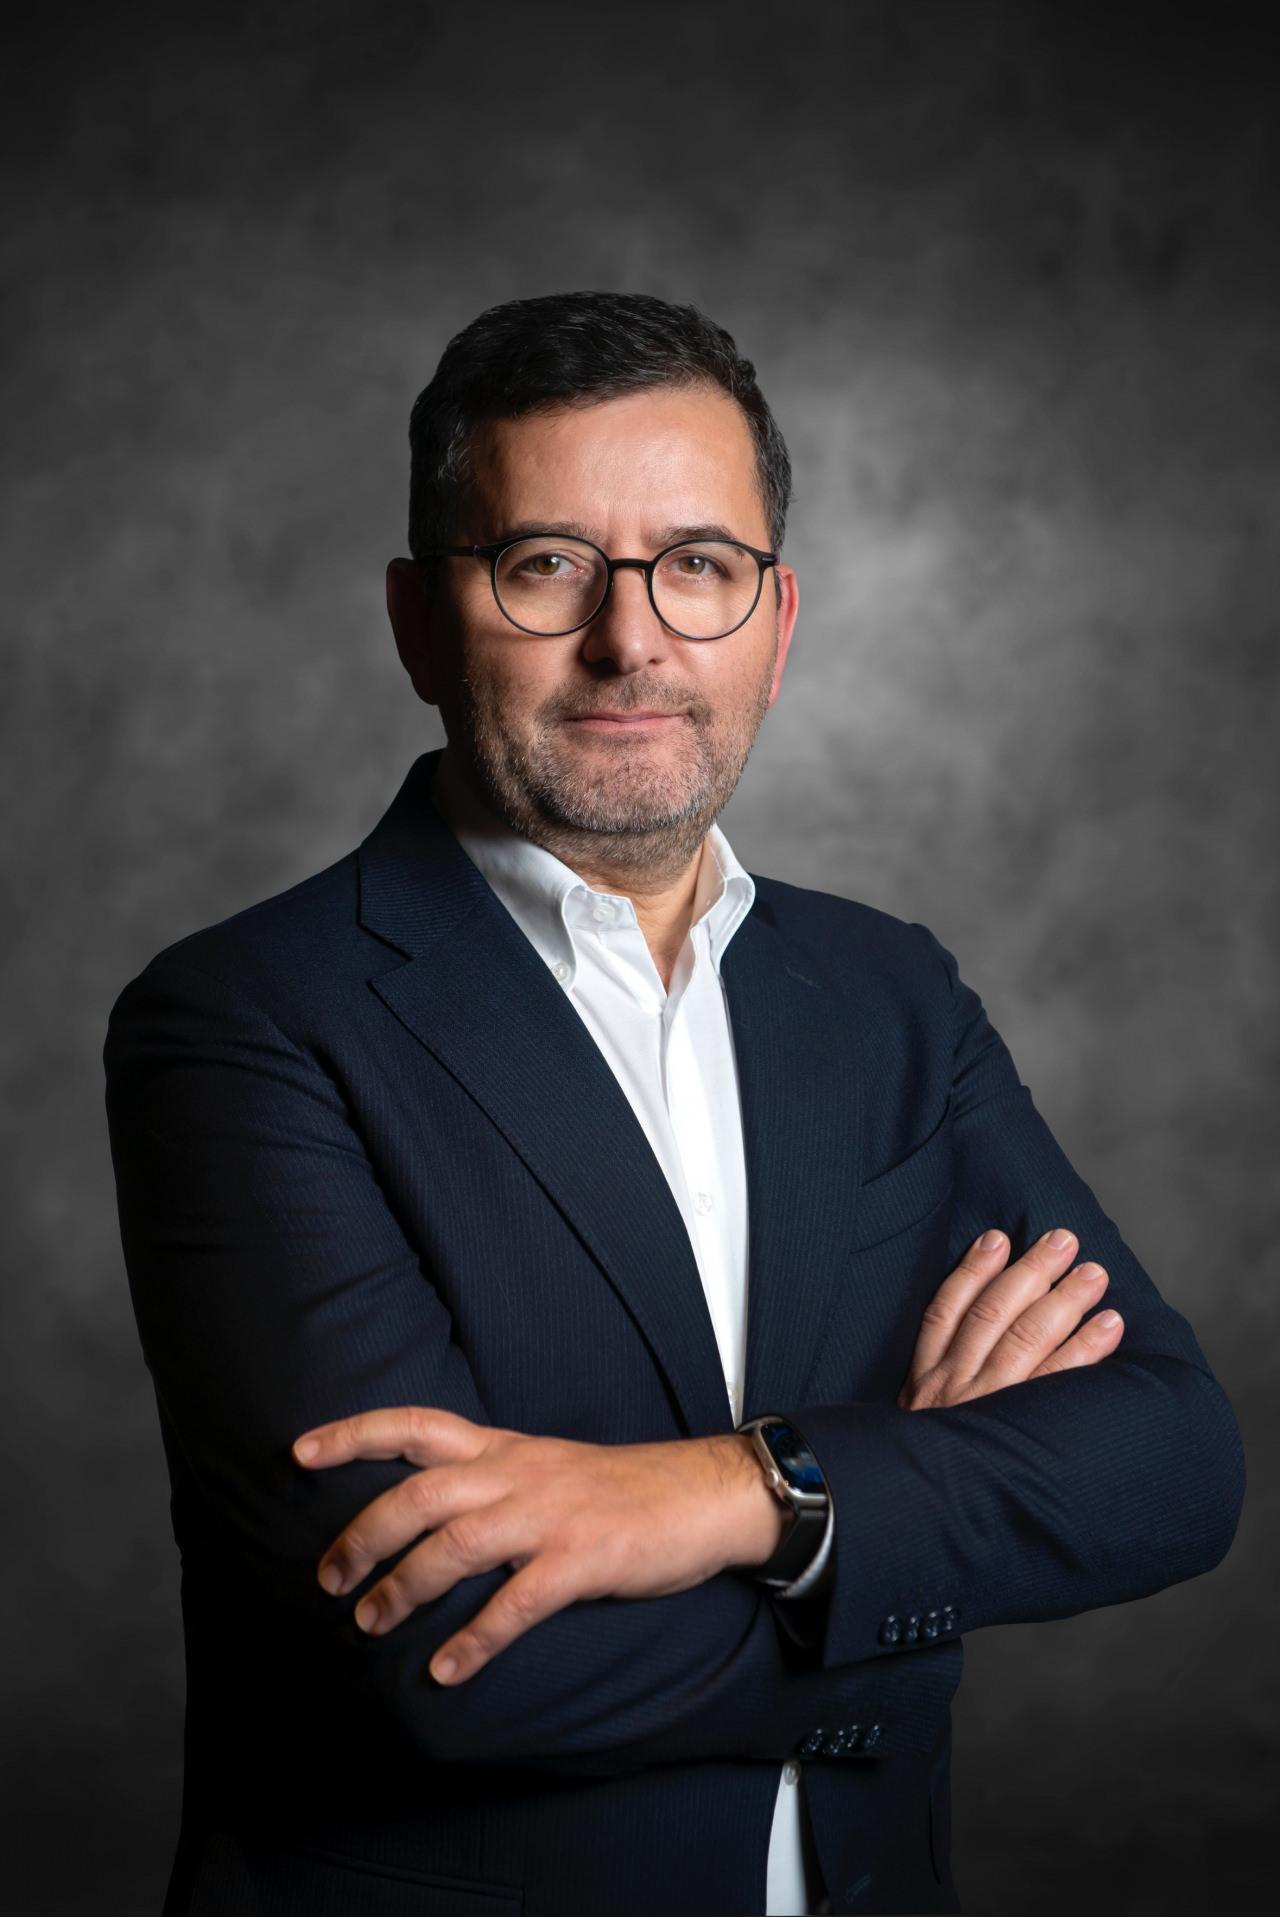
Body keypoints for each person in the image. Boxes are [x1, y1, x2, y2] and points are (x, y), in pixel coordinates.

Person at [103, 291, 1245, 1917]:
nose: (631, 639)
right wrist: (909, 1552)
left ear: (778, 623)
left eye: (698, 564)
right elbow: (452, 1653)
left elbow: (1175, 1462)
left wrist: (734, 1491)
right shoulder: (246, 1022)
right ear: (417, 620)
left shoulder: (888, 995)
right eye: (546, 562)